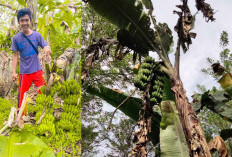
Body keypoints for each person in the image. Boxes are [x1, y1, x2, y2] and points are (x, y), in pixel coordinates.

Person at [11, 8, 51, 109]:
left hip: (37, 70)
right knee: (22, 98)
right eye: (22, 20)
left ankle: (43, 114)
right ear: (19, 22)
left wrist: (47, 49)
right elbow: (15, 55)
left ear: (30, 20)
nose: (24, 23)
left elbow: (45, 45)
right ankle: (20, 118)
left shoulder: (37, 35)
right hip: (24, 73)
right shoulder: (16, 38)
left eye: (26, 20)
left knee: (43, 94)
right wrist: (13, 72)